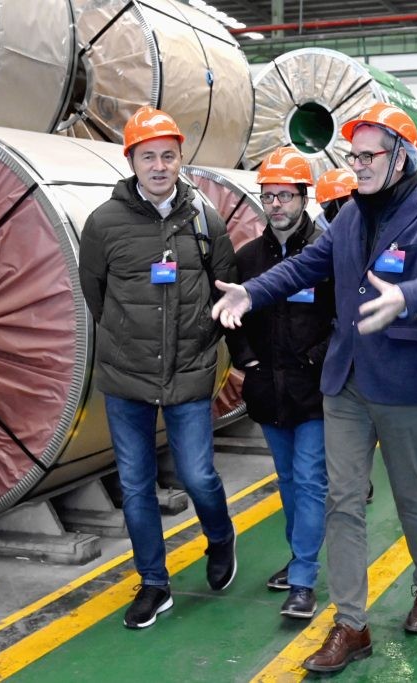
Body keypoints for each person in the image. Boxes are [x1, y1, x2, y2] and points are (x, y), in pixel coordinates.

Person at [213, 102, 417, 674]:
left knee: (412, 495)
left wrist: (410, 295)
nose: (359, 165)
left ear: (402, 156)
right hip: (345, 382)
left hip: (404, 383)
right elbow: (303, 266)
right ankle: (351, 624)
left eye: (370, 155)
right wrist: (252, 293)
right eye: (354, 155)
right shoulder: (348, 216)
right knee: (343, 500)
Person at [78, 106, 237, 630]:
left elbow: (223, 287)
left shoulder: (204, 219)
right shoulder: (104, 223)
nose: (160, 165)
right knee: (136, 484)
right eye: (148, 156)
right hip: (127, 378)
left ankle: (220, 537)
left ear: (179, 159)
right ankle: (154, 583)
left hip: (189, 370)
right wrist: (130, 342)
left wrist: (196, 341)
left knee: (197, 474)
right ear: (131, 160)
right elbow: (94, 293)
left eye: (168, 155)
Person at [225, 146, 334, 618]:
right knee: (288, 480)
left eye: (285, 196)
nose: (276, 205)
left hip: (313, 390)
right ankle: (298, 558)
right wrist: (246, 361)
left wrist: (316, 360)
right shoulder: (248, 258)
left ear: (304, 198)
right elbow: (230, 316)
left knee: (310, 480)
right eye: (269, 196)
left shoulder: (325, 253)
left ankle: (304, 577)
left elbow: (342, 318)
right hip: (268, 388)